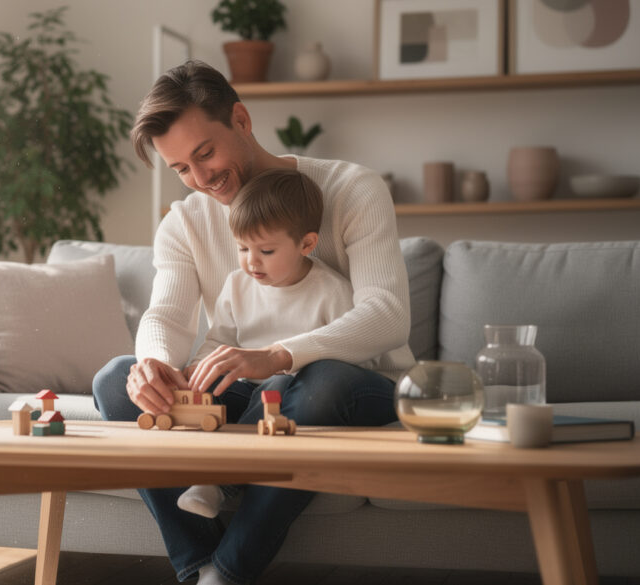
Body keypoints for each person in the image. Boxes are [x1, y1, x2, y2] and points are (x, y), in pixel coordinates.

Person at [92, 60, 415, 585]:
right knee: (115, 381)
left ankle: (229, 570)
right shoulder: (184, 224)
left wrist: (278, 356)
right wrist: (152, 365)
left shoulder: (352, 189)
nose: (201, 180)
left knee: (320, 380)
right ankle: (202, 568)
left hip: (357, 387)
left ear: (241, 120)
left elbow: (388, 316)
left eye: (205, 154)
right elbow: (167, 315)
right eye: (181, 169)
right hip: (257, 395)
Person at [177, 167, 379, 519]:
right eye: (242, 247)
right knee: (207, 393)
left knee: (279, 384)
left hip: (294, 397)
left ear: (306, 244)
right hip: (248, 392)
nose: (251, 261)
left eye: (266, 251)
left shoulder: (331, 290)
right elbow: (219, 340)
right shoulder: (236, 285)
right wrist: (198, 370)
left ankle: (219, 480)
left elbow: (353, 360)